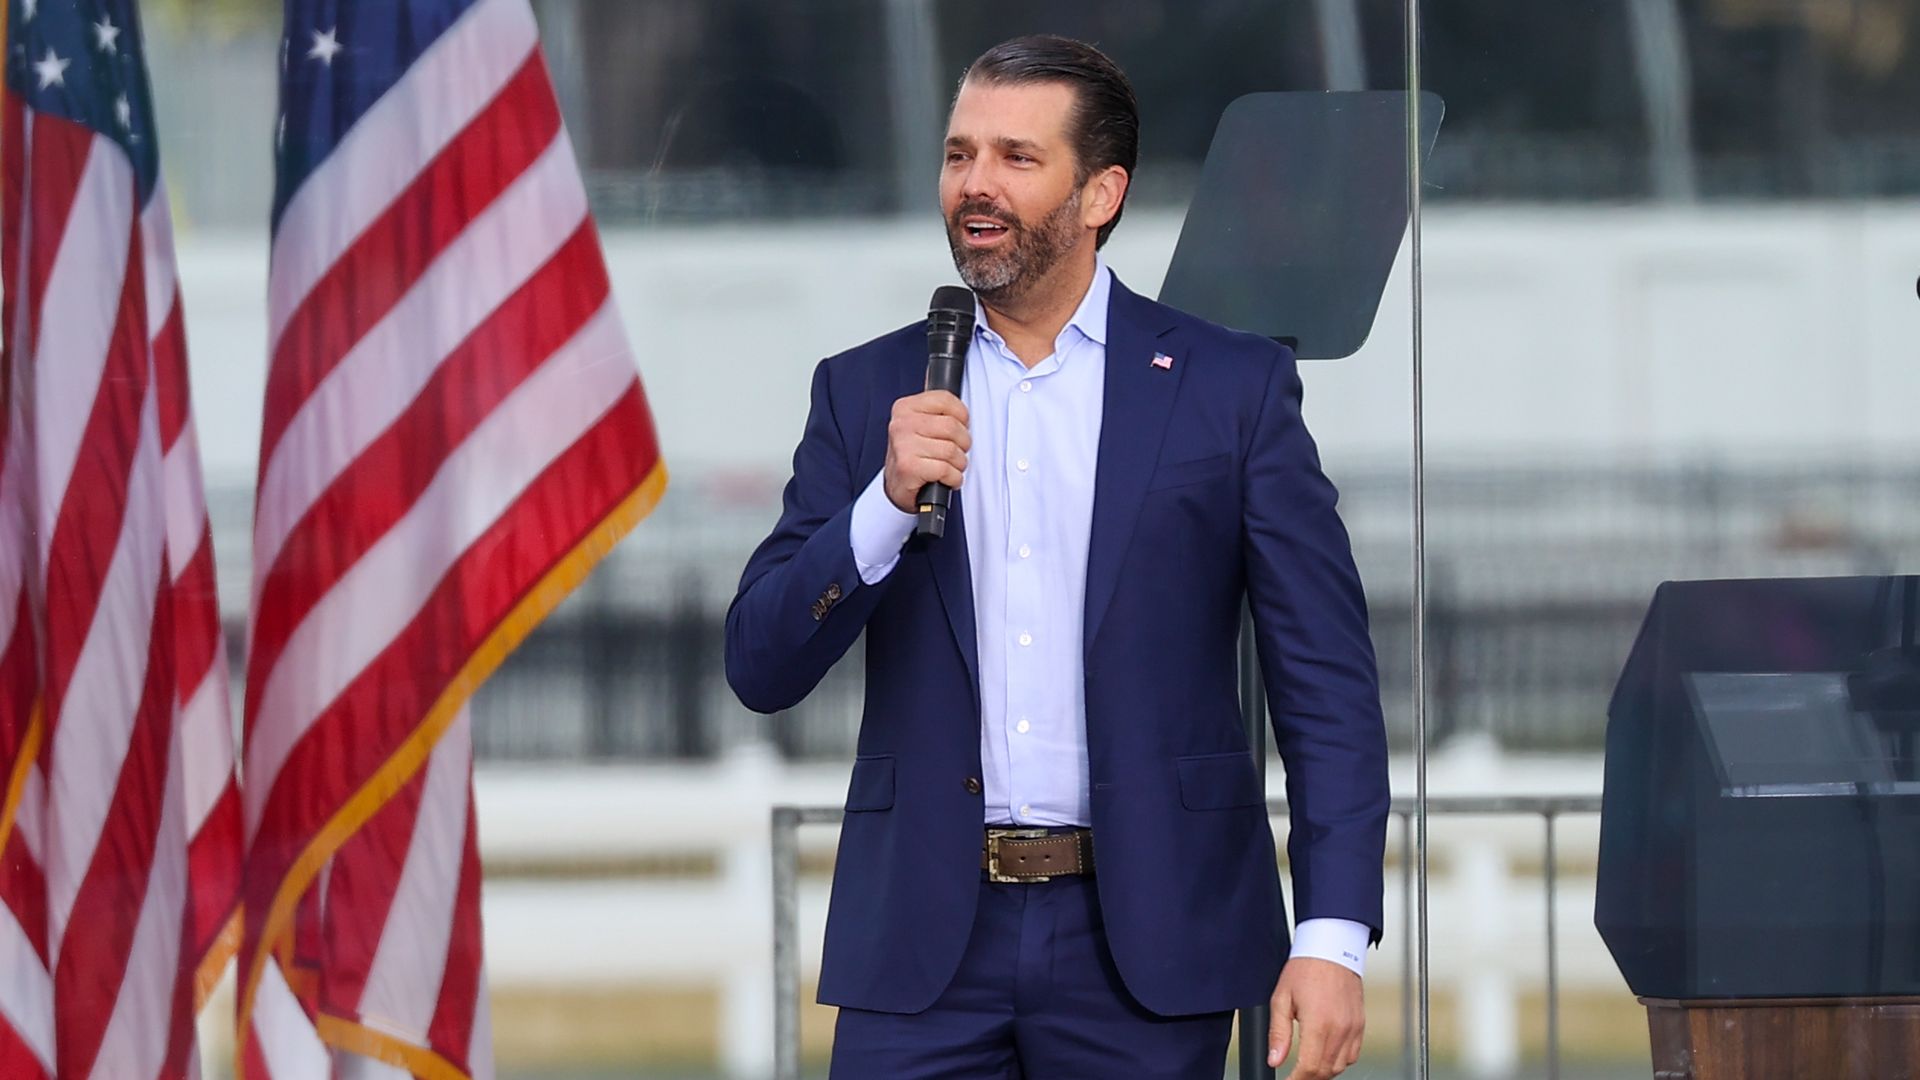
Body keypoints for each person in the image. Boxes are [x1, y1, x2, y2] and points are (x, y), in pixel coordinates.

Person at [726, 34, 1389, 1080]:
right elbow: (760, 665)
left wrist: (1333, 936)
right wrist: (883, 508)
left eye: (1015, 158)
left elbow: (1327, 687)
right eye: (958, 155)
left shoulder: (1229, 388)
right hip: (921, 953)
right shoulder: (867, 394)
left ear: (1101, 192)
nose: (974, 185)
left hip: (1149, 946)